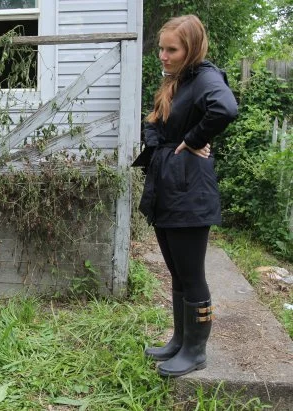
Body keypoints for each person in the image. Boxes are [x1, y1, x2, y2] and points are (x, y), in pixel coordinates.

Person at [136, 15, 238, 377]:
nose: (163, 55)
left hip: (189, 190)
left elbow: (226, 108)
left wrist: (193, 139)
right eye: (161, 48)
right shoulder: (177, 80)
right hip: (169, 184)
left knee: (192, 275)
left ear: (191, 49)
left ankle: (196, 351)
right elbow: (156, 124)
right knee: (176, 272)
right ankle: (180, 340)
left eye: (171, 49)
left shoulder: (206, 77)